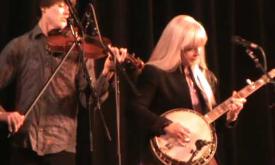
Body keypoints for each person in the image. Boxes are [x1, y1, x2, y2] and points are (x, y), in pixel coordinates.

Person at [0, 0, 127, 164]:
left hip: (61, 149)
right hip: (24, 147)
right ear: (44, 7)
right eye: (61, 5)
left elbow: (88, 101)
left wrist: (106, 73)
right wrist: (5, 115)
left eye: (70, 7)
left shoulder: (79, 50)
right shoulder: (20, 46)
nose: (68, 12)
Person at [129, 15, 246, 165]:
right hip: (166, 156)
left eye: (200, 46)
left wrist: (231, 115)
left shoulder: (207, 78)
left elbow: (210, 126)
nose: (197, 52)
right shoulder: (155, 73)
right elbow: (134, 109)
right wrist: (166, 125)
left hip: (202, 155)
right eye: (190, 48)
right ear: (175, 47)